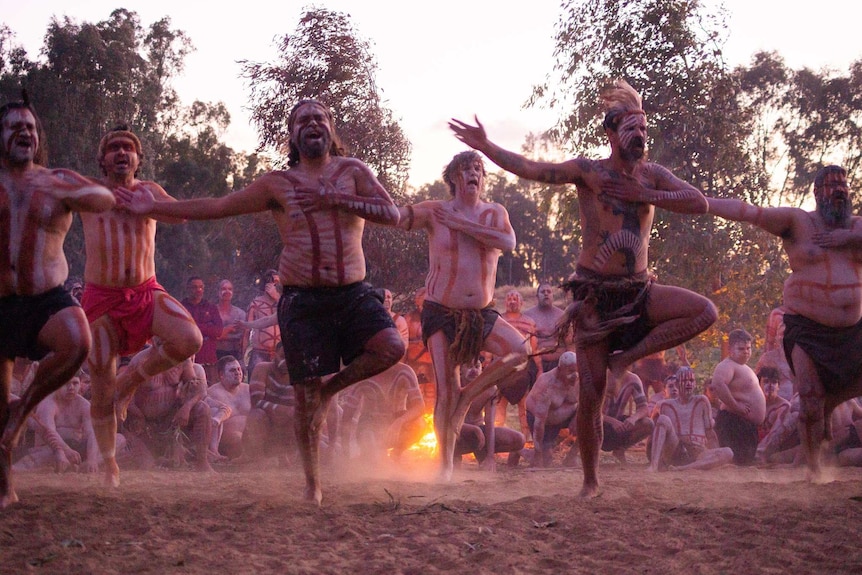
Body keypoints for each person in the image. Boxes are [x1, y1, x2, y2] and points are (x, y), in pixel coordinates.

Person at [118, 98, 405, 505]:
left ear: (331, 127)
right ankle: (313, 486)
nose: (312, 124)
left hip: (352, 292)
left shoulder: (352, 171)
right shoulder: (278, 185)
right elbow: (219, 206)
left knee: (392, 347)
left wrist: (336, 201)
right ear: (292, 134)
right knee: (305, 396)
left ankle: (332, 390)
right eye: (302, 119)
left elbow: (390, 213)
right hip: (303, 299)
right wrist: (156, 206)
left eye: (319, 118)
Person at [450, 79, 718, 496]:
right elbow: (532, 169)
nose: (641, 137)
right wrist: (486, 147)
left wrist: (642, 192)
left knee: (705, 311)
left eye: (644, 130)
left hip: (640, 291)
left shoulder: (652, 175)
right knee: (591, 396)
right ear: (611, 134)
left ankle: (625, 357)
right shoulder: (588, 172)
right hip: (595, 297)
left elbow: (698, 202)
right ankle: (591, 483)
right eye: (631, 129)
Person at [707, 165, 862, 479]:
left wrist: (847, 237)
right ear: (817, 193)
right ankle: (814, 471)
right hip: (808, 328)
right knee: (808, 400)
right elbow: (750, 212)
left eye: (843, 185)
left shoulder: (858, 228)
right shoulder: (798, 222)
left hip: (852, 330)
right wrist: (704, 202)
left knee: (829, 397)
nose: (839, 190)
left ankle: (831, 402)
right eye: (832, 185)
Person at [0, 97, 116, 507]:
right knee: (0, 409)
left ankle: (24, 406)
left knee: (78, 342)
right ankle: (5, 488)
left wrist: (73, 188)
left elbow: (105, 199)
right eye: (14, 126)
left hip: (45, 298)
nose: (24, 132)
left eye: (30, 127)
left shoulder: (55, 180)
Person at [390, 150, 529, 481]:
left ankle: (470, 394)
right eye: (466, 169)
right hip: (441, 312)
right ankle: (445, 467)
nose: (474, 174)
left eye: (479, 169)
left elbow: (508, 242)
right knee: (446, 392)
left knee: (520, 351)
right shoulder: (435, 212)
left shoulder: (495, 213)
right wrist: (361, 201)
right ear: (453, 177)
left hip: (481, 313)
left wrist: (464, 225)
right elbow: (397, 216)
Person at [80, 125, 203, 488]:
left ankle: (131, 378)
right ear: (102, 159)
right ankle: (108, 465)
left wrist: (151, 205)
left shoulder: (149, 190)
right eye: (114, 147)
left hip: (146, 292)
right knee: (102, 387)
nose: (121, 153)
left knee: (189, 339)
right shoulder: (88, 190)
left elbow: (180, 215)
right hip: (101, 298)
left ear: (138, 159)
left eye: (128, 148)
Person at [122, 356, 213, 471]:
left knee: (202, 408)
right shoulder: (140, 361)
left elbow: (200, 388)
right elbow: (125, 394)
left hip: (171, 421)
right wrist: (138, 416)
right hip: (144, 424)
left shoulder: (182, 360)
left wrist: (187, 407)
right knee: (147, 466)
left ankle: (202, 462)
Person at [12, 374, 117, 474]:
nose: (71, 388)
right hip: (50, 449)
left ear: (80, 384)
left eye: (75, 383)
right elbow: (49, 432)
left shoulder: (84, 404)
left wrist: (92, 459)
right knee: (45, 455)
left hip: (77, 450)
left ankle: (84, 465)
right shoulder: (47, 404)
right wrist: (66, 450)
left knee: (118, 439)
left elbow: (92, 433)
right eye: (66, 384)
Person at [647, 366, 734, 472]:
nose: (688, 384)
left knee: (728, 452)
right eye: (685, 380)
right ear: (678, 384)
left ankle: (684, 468)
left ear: (695, 384)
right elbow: (653, 432)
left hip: (698, 452)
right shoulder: (664, 405)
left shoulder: (702, 401)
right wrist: (651, 454)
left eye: (691, 380)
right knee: (663, 419)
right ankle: (654, 466)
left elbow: (710, 433)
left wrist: (715, 453)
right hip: (675, 450)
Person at [339, 362, 426, 463]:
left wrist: (400, 421)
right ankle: (368, 454)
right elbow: (347, 415)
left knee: (419, 425)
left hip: (395, 421)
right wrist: (345, 452)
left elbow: (420, 406)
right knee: (375, 460)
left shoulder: (404, 372)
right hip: (370, 424)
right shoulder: (362, 373)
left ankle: (396, 454)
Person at [708, 328, 766, 465]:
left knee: (744, 461)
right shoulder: (727, 365)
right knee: (735, 461)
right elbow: (718, 384)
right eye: (741, 348)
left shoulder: (742, 367)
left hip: (744, 423)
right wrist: (737, 406)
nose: (746, 352)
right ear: (730, 350)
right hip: (733, 422)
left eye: (748, 348)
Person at [454, 360, 526, 470]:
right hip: (456, 434)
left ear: (481, 369)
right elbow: (448, 423)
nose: (474, 370)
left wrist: (490, 456)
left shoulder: (489, 389)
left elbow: (489, 423)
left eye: (477, 366)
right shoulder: (454, 389)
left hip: (480, 435)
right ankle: (454, 457)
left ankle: (484, 456)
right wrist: (473, 429)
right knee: (470, 435)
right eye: (469, 366)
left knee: (519, 439)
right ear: (460, 372)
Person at [495, 289, 541, 442]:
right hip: (501, 368)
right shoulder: (498, 320)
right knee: (498, 404)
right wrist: (488, 362)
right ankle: (497, 438)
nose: (512, 301)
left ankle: (526, 440)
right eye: (509, 298)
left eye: (516, 299)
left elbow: (534, 348)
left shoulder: (529, 322)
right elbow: (491, 345)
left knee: (525, 404)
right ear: (505, 302)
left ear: (522, 303)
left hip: (523, 369)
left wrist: (539, 369)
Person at [240, 344, 296, 464]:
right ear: (274, 354)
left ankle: (284, 454)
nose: (286, 362)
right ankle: (257, 457)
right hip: (263, 428)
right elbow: (256, 402)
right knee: (257, 415)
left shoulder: (298, 375)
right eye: (282, 356)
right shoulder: (262, 369)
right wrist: (283, 409)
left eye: (292, 357)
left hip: (284, 432)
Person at [525, 351, 580, 468]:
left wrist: (577, 418)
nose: (575, 375)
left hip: (565, 420)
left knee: (591, 419)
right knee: (546, 460)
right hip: (542, 423)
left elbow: (587, 403)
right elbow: (539, 423)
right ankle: (519, 450)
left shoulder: (580, 380)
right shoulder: (547, 384)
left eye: (577, 371)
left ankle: (572, 456)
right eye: (570, 371)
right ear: (560, 370)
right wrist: (538, 454)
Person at [601, 369, 654, 464]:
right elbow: (590, 412)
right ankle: (574, 454)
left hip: (618, 428)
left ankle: (620, 450)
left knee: (648, 424)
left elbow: (644, 408)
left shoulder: (633, 379)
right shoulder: (600, 377)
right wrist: (612, 421)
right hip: (598, 425)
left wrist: (633, 418)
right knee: (586, 421)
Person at [205, 355, 250, 459]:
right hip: (228, 441)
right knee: (237, 439)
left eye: (239, 369)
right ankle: (215, 453)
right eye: (232, 370)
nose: (238, 373)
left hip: (251, 435)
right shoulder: (212, 393)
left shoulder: (248, 389)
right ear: (221, 374)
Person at [181, 276, 223, 384]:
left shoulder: (211, 307)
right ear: (188, 288)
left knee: (211, 391)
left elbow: (218, 331)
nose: (198, 290)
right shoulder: (181, 307)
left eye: (201, 287)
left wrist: (194, 325)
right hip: (186, 360)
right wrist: (207, 327)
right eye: (194, 287)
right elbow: (179, 330)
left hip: (208, 359)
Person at [523, 283, 567, 372]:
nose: (546, 294)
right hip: (535, 362)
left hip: (558, 361)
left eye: (549, 292)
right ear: (537, 296)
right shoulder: (528, 315)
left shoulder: (562, 315)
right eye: (543, 292)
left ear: (552, 296)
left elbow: (569, 341)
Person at [245, 270, 281, 377]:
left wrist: (277, 298)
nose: (278, 285)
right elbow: (247, 330)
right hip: (259, 353)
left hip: (279, 354)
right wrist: (241, 357)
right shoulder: (255, 304)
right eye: (275, 282)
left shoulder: (284, 303)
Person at [215, 279, 247, 361]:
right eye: (223, 289)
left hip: (234, 354)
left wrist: (221, 335)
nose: (227, 291)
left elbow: (243, 337)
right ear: (218, 292)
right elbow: (209, 335)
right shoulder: (211, 312)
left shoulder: (240, 314)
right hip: (214, 354)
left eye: (230, 289)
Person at [383, 289, 410, 354]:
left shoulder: (399, 320)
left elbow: (404, 344)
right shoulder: (371, 319)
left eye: (389, 297)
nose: (386, 300)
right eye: (383, 297)